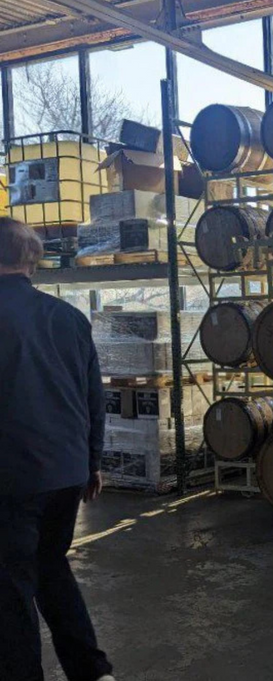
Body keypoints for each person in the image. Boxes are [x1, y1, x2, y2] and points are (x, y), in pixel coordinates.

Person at [0, 217, 114, 681]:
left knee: (10, 590)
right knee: (51, 570)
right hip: (67, 472)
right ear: (33, 261)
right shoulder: (68, 317)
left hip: (12, 475)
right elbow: (93, 397)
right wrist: (92, 463)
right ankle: (92, 672)